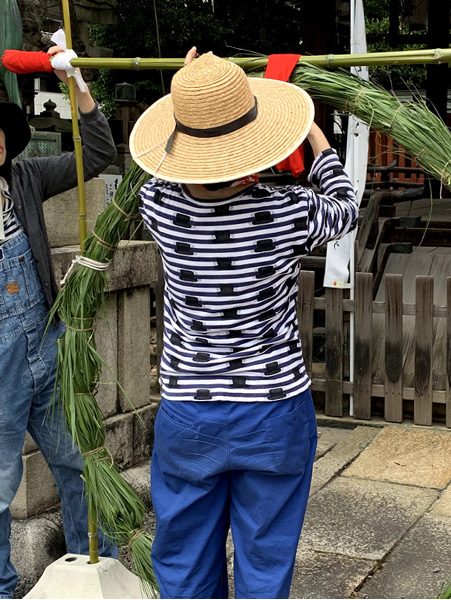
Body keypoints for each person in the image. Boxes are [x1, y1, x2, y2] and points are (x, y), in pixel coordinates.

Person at [129, 50, 358, 599]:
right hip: (274, 408)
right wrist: (317, 141)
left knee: (183, 557)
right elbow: (345, 205)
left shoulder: (158, 205)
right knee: (266, 555)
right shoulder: (286, 211)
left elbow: (162, 169)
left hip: (189, 410)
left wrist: (196, 89)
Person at [0, 47, 117, 598]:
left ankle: (98, 567)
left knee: (77, 460)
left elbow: (97, 155)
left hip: (45, 344)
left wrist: (77, 85)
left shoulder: (23, 180)